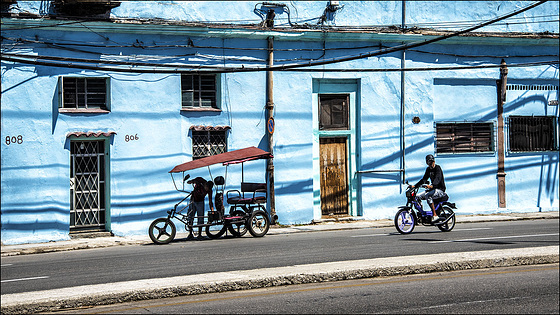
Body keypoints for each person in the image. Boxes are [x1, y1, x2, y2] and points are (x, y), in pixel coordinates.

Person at [412, 154, 447, 223]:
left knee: (428, 195)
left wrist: (432, 185)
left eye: (431, 161)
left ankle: (435, 215)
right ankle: (422, 215)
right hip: (433, 189)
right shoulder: (428, 169)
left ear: (434, 161)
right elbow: (424, 179)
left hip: (440, 190)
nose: (430, 163)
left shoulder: (437, 168)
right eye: (428, 162)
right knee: (417, 196)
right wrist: (415, 186)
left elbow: (438, 179)